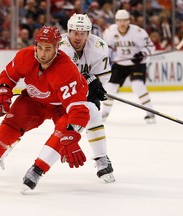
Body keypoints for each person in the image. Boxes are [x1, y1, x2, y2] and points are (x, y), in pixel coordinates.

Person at [0, 26, 90, 193]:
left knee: (64, 135)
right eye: (39, 47)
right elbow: (8, 75)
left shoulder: (66, 69)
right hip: (33, 101)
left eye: (48, 49)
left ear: (57, 48)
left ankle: (37, 170)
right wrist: (3, 91)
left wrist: (73, 134)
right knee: (8, 129)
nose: (42, 53)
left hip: (60, 107)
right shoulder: (25, 56)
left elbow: (78, 109)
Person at [59, 13, 115, 183]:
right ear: (68, 31)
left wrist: (93, 82)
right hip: (58, 90)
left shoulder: (98, 46)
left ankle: (101, 158)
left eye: (83, 33)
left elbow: (103, 76)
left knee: (93, 114)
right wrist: (83, 79)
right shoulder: (58, 45)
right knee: (23, 118)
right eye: (75, 32)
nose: (78, 37)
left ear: (89, 33)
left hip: (81, 92)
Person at [101, 9, 156, 123]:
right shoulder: (110, 31)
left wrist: (142, 54)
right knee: (110, 87)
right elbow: (106, 47)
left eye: (125, 20)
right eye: (120, 21)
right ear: (116, 21)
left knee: (137, 85)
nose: (122, 23)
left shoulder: (138, 32)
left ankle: (150, 112)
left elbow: (150, 46)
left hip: (137, 63)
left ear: (129, 21)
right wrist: (108, 56)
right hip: (120, 63)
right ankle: (105, 112)